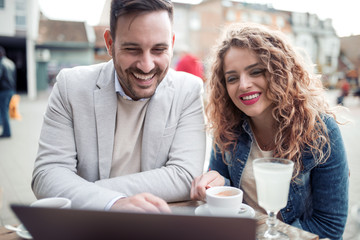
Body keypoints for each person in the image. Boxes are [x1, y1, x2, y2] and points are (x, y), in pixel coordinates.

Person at [32, 0, 206, 213]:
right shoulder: (70, 87)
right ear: (109, 43)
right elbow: (47, 173)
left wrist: (88, 193)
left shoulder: (188, 90)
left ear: (171, 43)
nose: (147, 65)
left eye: (159, 50)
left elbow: (185, 175)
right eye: (132, 49)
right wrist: (112, 203)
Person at [190, 23, 349, 239]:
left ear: (280, 72)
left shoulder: (321, 131)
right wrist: (215, 184)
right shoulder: (227, 129)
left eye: (256, 72)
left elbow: (330, 227)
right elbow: (229, 195)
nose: (243, 85)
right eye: (232, 78)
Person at [0, 46, 16, 138]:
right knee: (5, 110)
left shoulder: (1, 63)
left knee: (4, 111)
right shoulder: (11, 63)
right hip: (10, 90)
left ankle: (7, 132)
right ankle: (6, 130)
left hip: (3, 90)